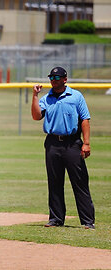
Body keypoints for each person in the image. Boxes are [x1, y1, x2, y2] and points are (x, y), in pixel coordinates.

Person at [31, 66, 95, 229]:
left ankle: (88, 221)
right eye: (52, 78)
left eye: (57, 78)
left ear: (65, 79)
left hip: (72, 143)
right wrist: (35, 96)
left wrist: (86, 143)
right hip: (53, 143)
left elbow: (85, 120)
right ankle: (56, 219)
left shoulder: (75, 96)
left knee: (79, 181)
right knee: (55, 182)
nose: (54, 80)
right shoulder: (47, 98)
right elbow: (36, 116)